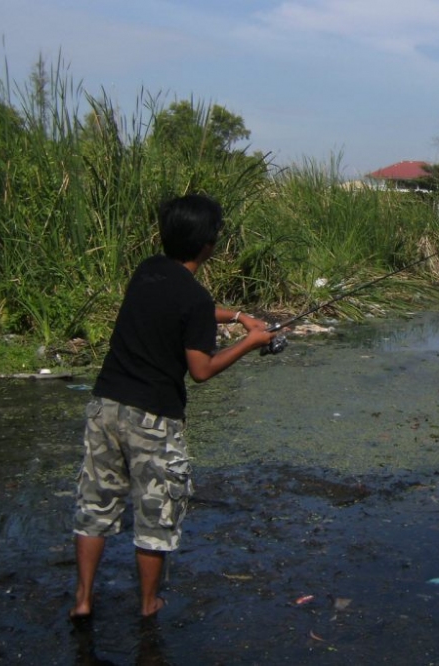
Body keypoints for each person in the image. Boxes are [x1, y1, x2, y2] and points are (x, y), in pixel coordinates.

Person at [70, 193, 279, 619]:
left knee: (95, 504)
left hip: (104, 404)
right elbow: (201, 370)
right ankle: (148, 604)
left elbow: (186, 308)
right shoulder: (195, 299)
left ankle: (83, 600)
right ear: (208, 244)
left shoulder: (147, 271)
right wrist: (251, 341)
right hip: (153, 417)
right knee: (156, 511)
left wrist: (239, 316)